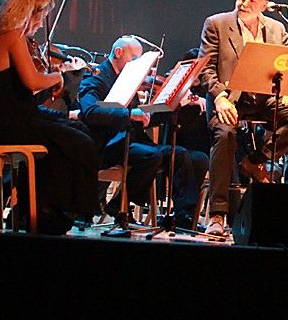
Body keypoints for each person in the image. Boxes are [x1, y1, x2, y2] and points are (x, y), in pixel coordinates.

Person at [198, 0, 288, 237]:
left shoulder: (277, 29)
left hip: (264, 99)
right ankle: (218, 215)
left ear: (265, 5)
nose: (243, 2)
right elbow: (205, 69)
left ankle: (256, 160)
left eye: (251, 0)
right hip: (229, 99)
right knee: (225, 134)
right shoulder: (217, 24)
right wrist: (219, 97)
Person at [0, 0, 100, 234]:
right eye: (41, 16)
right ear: (27, 12)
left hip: (11, 117)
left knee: (75, 129)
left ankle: (46, 206)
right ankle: (52, 209)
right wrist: (58, 78)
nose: (42, 23)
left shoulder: (7, 36)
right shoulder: (12, 37)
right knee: (77, 142)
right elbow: (32, 81)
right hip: (7, 124)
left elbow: (27, 85)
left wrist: (52, 76)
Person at [79, 36, 208, 226]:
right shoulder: (96, 77)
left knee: (186, 155)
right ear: (118, 53)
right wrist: (130, 113)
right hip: (108, 144)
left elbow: (144, 118)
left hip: (131, 140)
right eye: (134, 58)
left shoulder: (129, 79)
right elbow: (91, 112)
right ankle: (119, 204)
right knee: (152, 156)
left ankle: (183, 217)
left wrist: (173, 103)